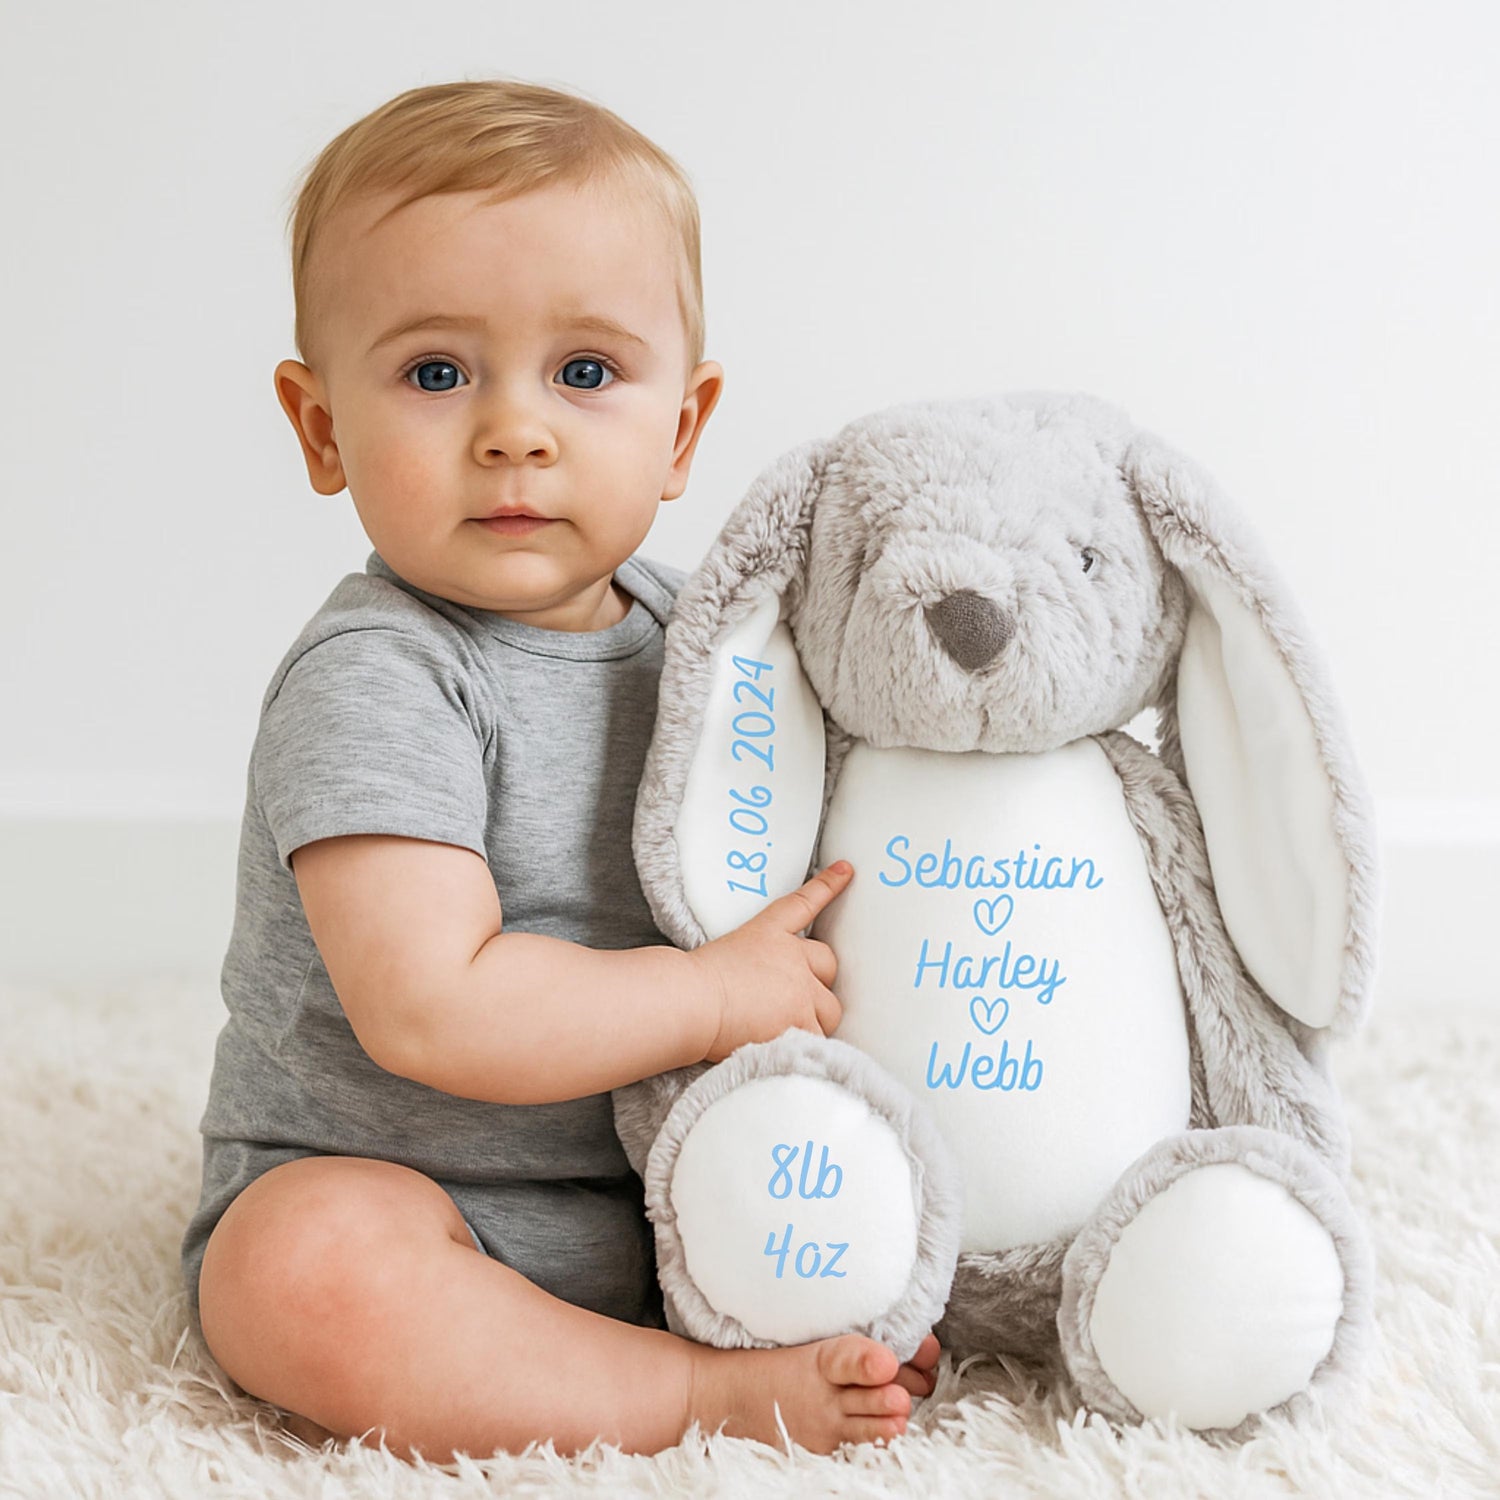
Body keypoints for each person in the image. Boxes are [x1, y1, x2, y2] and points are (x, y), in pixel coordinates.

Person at [181, 78, 940, 1467]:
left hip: (665, 1193)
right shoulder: (381, 677)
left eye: (584, 373)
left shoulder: (713, 646)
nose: (514, 430)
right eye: (435, 372)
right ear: (321, 428)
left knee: (871, 1161)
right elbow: (432, 1007)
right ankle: (691, 1400)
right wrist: (713, 997)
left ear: (685, 431)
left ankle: (773, 1304)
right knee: (300, 1271)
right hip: (419, 1196)